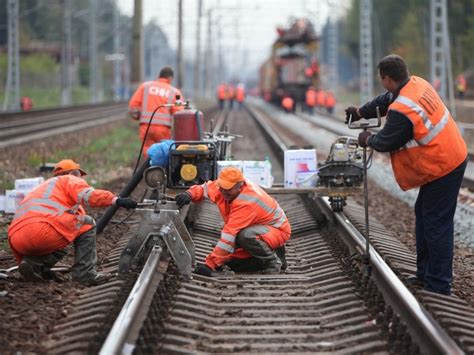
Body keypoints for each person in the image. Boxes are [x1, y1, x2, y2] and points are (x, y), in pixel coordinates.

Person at [345, 54, 467, 296]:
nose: (382, 84)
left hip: (444, 165)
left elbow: (386, 141)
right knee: (424, 214)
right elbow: (385, 100)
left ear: (388, 78)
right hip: (446, 157)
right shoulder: (415, 84)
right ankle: (426, 275)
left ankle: (439, 284)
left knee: (436, 223)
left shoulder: (402, 110)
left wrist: (366, 138)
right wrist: (361, 112)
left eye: (382, 80)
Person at [8, 159, 138, 286]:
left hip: (16, 239)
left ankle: (34, 264)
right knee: (87, 224)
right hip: (42, 232)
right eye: (78, 175)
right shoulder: (68, 180)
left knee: (67, 232)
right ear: (72, 174)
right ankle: (85, 274)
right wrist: (116, 200)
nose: (80, 179)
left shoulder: (42, 188)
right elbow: (89, 196)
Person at [175, 167, 291, 276]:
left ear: (240, 186)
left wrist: (210, 265)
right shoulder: (224, 187)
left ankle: (272, 262)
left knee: (245, 236)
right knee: (233, 262)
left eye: (228, 189)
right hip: (259, 228)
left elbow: (229, 235)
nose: (223, 192)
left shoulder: (247, 202)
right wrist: (189, 194)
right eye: (222, 188)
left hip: (277, 230)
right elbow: (204, 188)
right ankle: (273, 252)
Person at [129, 66, 184, 156]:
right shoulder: (175, 92)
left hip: (146, 127)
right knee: (163, 152)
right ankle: (161, 169)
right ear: (170, 78)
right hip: (163, 129)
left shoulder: (145, 86)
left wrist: (139, 117)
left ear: (159, 76)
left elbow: (133, 106)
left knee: (147, 151)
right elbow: (179, 113)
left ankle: (149, 168)